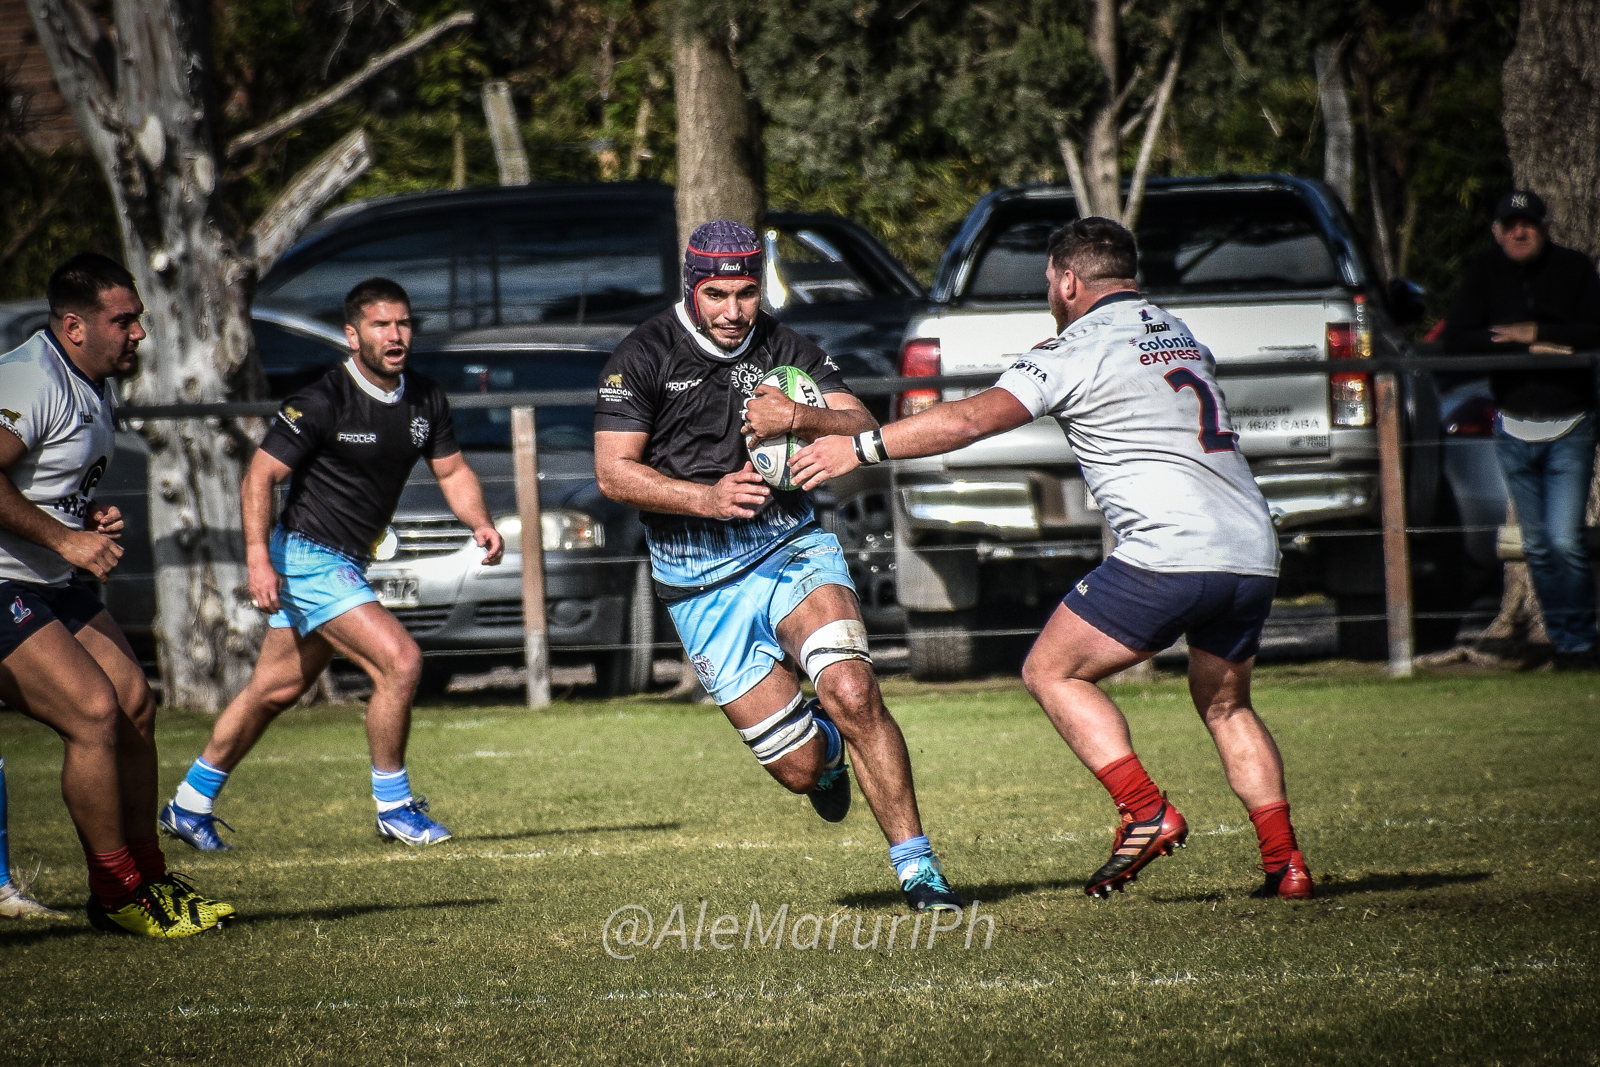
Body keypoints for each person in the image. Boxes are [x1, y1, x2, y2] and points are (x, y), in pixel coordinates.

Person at [791, 217, 1314, 900]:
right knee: (1226, 705)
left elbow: (972, 419)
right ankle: (1287, 864)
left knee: (1051, 669)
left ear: (1068, 280)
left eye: (1048, 281)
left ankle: (1143, 809)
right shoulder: (1177, 329)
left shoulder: (1074, 351)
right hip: (1251, 547)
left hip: (1172, 550)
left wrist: (857, 449)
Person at [593, 219, 961, 912]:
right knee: (797, 768)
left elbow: (860, 421)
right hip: (697, 583)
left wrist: (801, 415)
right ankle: (824, 756)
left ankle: (919, 870)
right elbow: (613, 474)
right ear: (691, 288)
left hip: (788, 548)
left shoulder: (783, 344)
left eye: (747, 292)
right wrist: (706, 497)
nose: (735, 311)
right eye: (718, 295)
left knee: (854, 691)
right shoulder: (641, 355)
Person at [160, 278, 504, 851]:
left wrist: (480, 522)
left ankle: (188, 804)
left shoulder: (424, 397)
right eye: (380, 325)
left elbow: (452, 471)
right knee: (400, 661)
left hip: (344, 562)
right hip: (306, 557)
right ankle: (394, 807)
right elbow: (260, 476)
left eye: (403, 324)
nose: (395, 336)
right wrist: (257, 561)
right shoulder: (321, 401)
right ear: (353, 335)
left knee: (275, 689)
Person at [0, 253, 232, 935]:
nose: (138, 332)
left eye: (137, 319)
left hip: (46, 577)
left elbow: (43, 483)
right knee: (93, 711)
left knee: (134, 701)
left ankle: (150, 876)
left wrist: (82, 518)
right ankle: (117, 888)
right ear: (74, 326)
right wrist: (66, 540)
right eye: (122, 320)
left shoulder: (93, 381)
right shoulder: (27, 376)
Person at [1443, 190, 1600, 669]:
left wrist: (1534, 333)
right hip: (1512, 426)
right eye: (1509, 224)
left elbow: (1594, 329)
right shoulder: (1484, 274)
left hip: (1571, 424)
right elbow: (1456, 337)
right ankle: (1561, 638)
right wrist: (1517, 345)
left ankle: (1580, 642)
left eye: (1527, 223)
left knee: (1565, 541)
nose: (1518, 232)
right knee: (1536, 546)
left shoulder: (1574, 270)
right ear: (1497, 231)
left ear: (1544, 226)